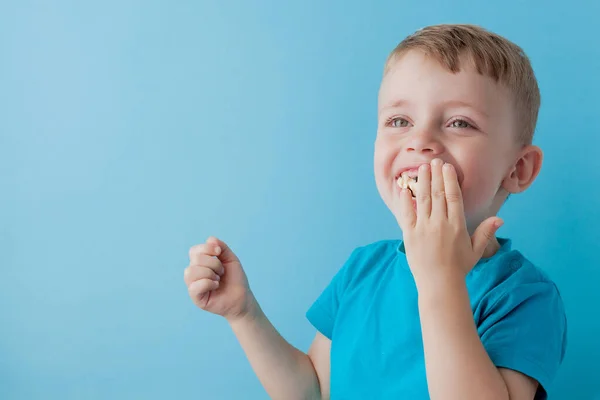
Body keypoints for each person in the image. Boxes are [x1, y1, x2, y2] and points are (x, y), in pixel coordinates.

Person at [183, 24, 567, 400]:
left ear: (518, 170)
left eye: (459, 123)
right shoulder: (362, 270)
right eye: (400, 121)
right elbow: (313, 391)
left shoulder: (523, 296)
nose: (420, 142)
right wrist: (244, 314)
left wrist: (439, 278)